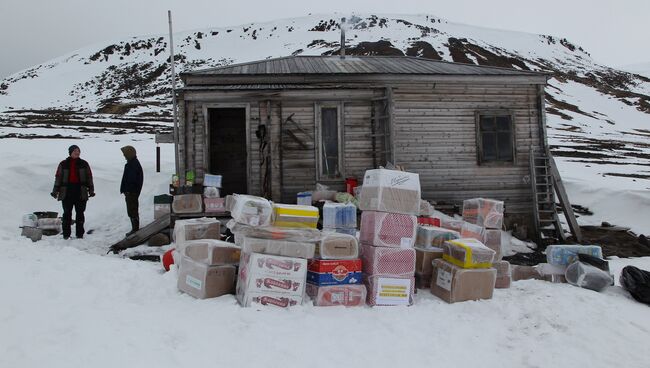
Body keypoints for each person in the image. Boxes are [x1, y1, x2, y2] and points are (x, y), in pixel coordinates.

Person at [51, 145, 95, 239]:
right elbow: (58, 178)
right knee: (67, 213)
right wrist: (55, 191)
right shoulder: (63, 164)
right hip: (67, 191)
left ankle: (80, 234)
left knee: (80, 213)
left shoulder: (84, 163)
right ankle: (66, 234)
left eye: (78, 151)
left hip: (80, 191)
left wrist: (91, 190)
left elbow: (89, 177)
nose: (77, 152)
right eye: (75, 151)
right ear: (70, 152)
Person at [120, 145, 144, 236]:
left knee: (132, 210)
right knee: (131, 210)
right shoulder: (131, 163)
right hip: (131, 192)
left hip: (132, 192)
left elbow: (132, 180)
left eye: (125, 154)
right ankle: (134, 228)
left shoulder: (133, 165)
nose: (124, 156)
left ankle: (135, 229)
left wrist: (128, 190)